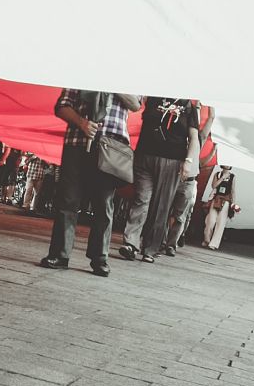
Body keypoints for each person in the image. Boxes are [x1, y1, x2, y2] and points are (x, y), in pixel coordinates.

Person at [40, 89, 141, 277]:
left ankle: (99, 259)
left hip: (110, 145)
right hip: (77, 141)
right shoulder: (84, 70)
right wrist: (82, 123)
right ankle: (59, 255)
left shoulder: (129, 74)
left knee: (104, 204)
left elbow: (135, 104)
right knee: (67, 200)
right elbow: (62, 106)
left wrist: (112, 82)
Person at [119, 96, 200, 262]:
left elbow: (194, 138)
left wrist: (188, 161)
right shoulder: (153, 98)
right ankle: (130, 243)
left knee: (161, 205)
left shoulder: (189, 107)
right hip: (145, 156)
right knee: (142, 199)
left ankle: (150, 248)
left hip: (172, 161)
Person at [202, 165, 237, 250]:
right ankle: (207, 239)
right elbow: (214, 186)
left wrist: (233, 203)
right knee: (211, 220)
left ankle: (214, 244)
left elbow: (233, 190)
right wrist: (222, 178)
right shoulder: (217, 174)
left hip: (226, 201)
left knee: (220, 222)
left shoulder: (233, 176)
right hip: (216, 199)